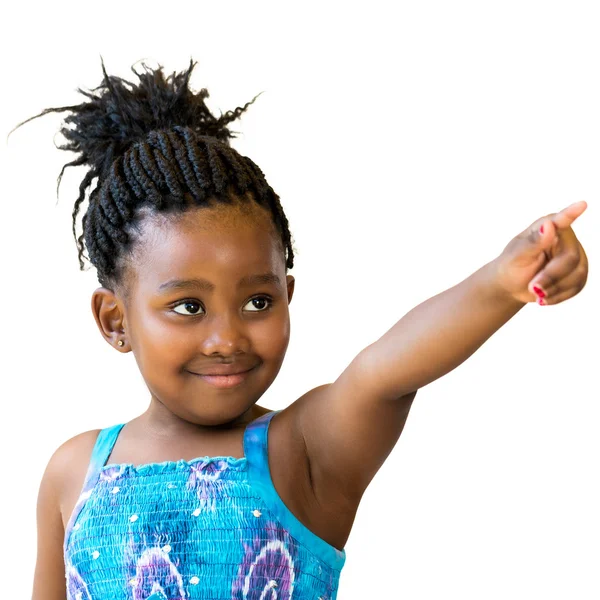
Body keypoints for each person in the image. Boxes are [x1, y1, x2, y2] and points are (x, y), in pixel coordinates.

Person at [15, 59, 588, 600]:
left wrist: (499, 284)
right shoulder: (74, 471)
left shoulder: (305, 450)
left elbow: (384, 373)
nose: (227, 338)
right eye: (189, 307)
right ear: (116, 320)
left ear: (288, 295)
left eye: (257, 301)